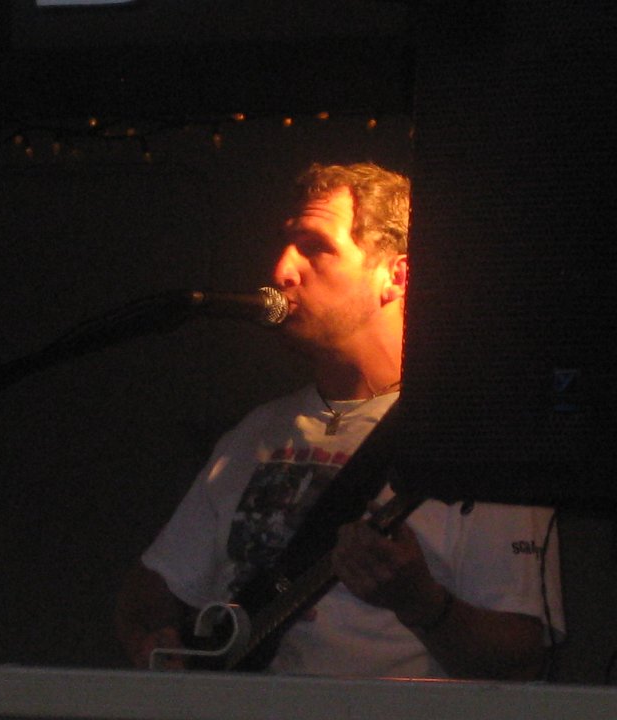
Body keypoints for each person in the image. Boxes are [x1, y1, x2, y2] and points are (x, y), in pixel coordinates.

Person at [114, 162, 565, 679]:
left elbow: (520, 658)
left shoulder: (480, 439)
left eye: (315, 247)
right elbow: (149, 595)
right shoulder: (255, 432)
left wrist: (421, 603)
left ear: (397, 276)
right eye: (286, 244)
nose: (282, 269)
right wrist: (157, 640)